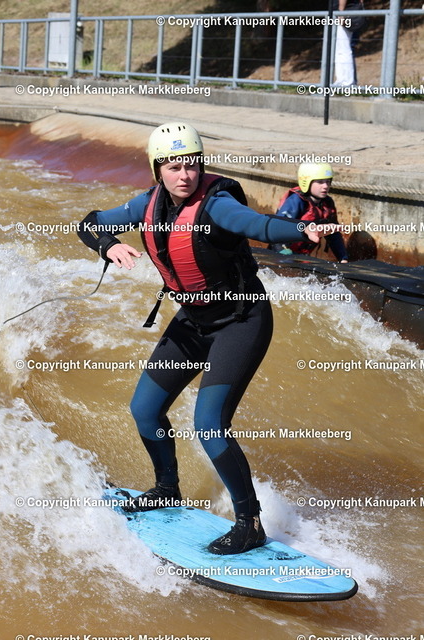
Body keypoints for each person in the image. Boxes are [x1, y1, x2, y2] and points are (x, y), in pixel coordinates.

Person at [77, 122, 340, 555]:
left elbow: (259, 225)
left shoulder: (216, 205)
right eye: (174, 167)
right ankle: (167, 489)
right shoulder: (146, 203)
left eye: (192, 165)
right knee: (145, 409)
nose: (185, 175)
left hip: (241, 320)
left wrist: (300, 230)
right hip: (194, 320)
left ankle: (249, 523)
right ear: (157, 169)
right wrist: (107, 246)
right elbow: (89, 223)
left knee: (210, 424)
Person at [270, 162, 348, 263]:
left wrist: (343, 258)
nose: (325, 186)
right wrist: (284, 254)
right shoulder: (296, 201)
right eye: (320, 182)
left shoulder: (327, 203)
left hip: (302, 257)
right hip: (282, 254)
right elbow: (277, 230)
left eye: (328, 182)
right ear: (307, 182)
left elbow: (333, 234)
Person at [333, 0, 364, 87]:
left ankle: (347, 82)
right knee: (342, 49)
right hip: (351, 13)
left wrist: (341, 13)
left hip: (345, 13)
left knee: (343, 49)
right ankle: (342, 80)